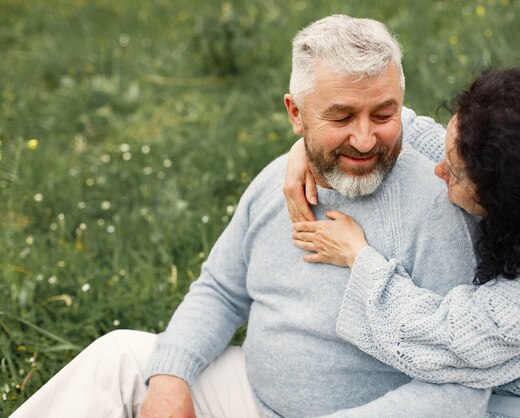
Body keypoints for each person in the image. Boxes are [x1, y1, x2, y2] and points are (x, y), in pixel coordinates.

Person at [10, 15, 491, 418]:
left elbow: (459, 385)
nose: (365, 140)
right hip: (250, 401)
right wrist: (172, 375)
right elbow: (220, 288)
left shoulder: (435, 212)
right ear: (296, 115)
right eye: (342, 118)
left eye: (383, 115)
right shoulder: (274, 186)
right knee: (119, 359)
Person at [287, 68, 520, 417]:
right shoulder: (494, 155)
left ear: (509, 196)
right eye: (449, 155)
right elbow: (408, 129)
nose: (439, 171)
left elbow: (448, 340)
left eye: (456, 172)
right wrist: (314, 141)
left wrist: (358, 257)